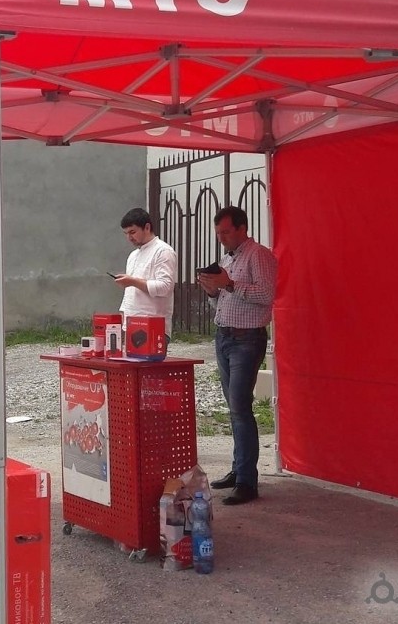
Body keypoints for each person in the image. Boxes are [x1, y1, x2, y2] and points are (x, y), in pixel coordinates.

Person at [197, 205, 278, 505]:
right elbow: (221, 300)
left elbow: (267, 295)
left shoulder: (259, 255)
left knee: (240, 408)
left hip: (247, 338)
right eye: (218, 233)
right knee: (233, 407)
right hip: (225, 335)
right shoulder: (227, 259)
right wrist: (212, 290)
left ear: (242, 228)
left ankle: (247, 481)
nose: (221, 238)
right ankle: (238, 468)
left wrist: (229, 283)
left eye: (226, 232)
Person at [113, 208, 177, 339]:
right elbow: (129, 293)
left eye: (132, 232)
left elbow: (165, 287)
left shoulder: (163, 251)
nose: (129, 238)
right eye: (126, 233)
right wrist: (123, 314)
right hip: (130, 324)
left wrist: (133, 281)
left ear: (147, 227)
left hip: (153, 325)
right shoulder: (133, 255)